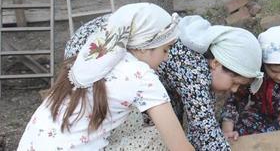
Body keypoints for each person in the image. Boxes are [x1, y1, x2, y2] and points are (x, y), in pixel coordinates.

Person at [65, 13, 264, 151]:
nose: (234, 89)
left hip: (102, 49)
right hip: (93, 53)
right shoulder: (192, 69)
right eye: (235, 82)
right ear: (217, 62)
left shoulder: (201, 62)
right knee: (147, 130)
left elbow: (201, 121)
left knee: (168, 124)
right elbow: (205, 128)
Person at [18, 3, 193, 151]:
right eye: (165, 49)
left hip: (32, 145)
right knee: (156, 136)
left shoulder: (95, 58)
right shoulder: (141, 76)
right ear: (143, 47)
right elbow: (179, 146)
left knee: (133, 117)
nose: (167, 57)